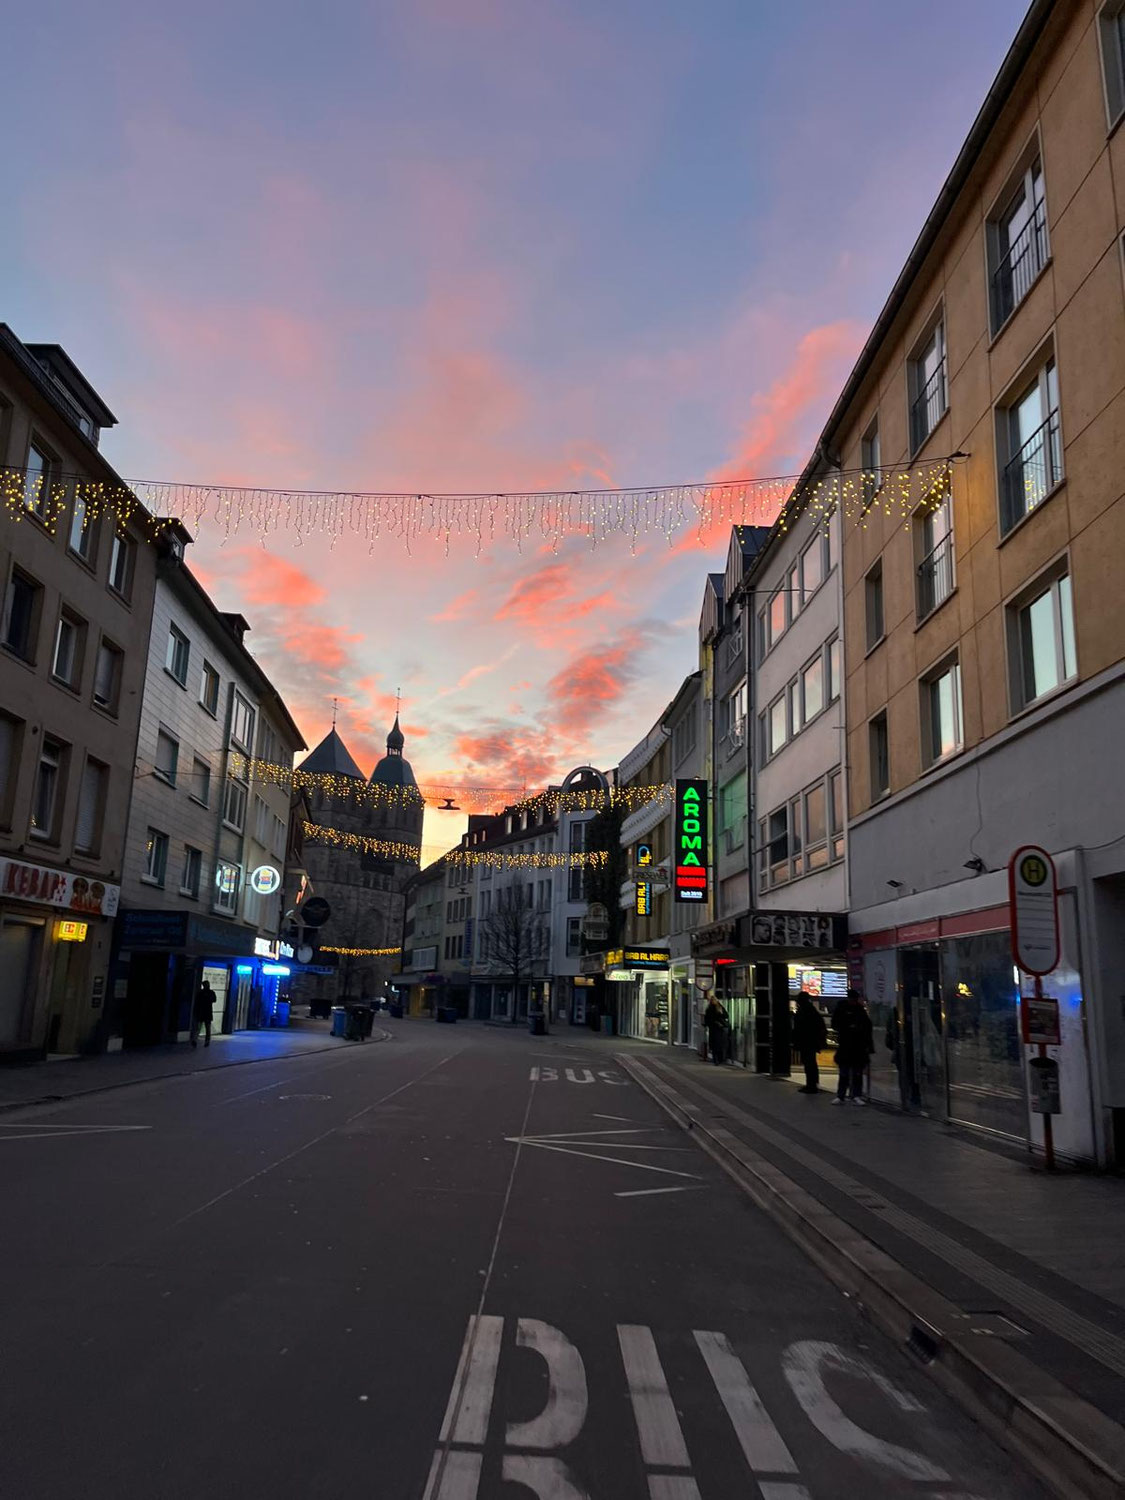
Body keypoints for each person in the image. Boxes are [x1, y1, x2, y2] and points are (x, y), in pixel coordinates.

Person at [831, 988, 873, 1104]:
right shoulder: (858, 1011)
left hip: (850, 1046)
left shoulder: (851, 1010)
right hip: (853, 1046)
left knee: (850, 1072)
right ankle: (852, 1095)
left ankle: (844, 1095)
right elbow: (867, 1028)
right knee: (851, 1072)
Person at [792, 991, 828, 1094]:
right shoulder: (811, 1010)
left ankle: (811, 1085)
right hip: (810, 1041)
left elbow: (801, 1027)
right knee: (810, 1063)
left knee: (809, 1063)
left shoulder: (805, 1011)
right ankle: (812, 1084)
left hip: (807, 1041)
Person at [703, 995, 729, 1066]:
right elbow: (708, 1019)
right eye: (712, 1000)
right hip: (716, 1029)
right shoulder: (712, 1009)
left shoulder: (718, 1008)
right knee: (717, 1045)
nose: (713, 1001)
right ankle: (717, 1059)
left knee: (717, 1045)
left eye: (714, 1000)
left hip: (716, 1029)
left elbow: (726, 1016)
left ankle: (717, 1059)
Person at [192, 980, 215, 1048]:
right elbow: (214, 1000)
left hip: (201, 1013)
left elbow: (196, 1003)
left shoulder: (200, 993)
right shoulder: (210, 992)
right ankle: (206, 1041)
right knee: (207, 1028)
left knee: (198, 1028)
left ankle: (195, 1040)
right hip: (207, 1013)